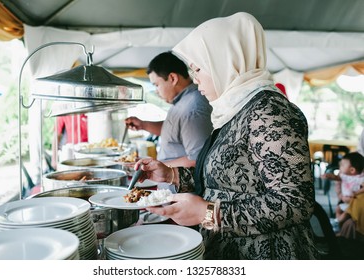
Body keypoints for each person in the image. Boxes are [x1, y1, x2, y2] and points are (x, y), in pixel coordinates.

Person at [135, 12, 319, 259]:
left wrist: (209, 213)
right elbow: (228, 178)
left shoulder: (269, 111)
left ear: (225, 62)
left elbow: (295, 203)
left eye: (198, 69)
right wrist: (171, 174)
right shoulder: (235, 109)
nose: (195, 79)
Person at [125, 51, 213, 167]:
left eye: (157, 85)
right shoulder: (183, 101)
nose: (156, 91)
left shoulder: (192, 108)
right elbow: (175, 131)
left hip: (181, 183)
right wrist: (142, 124)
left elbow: (198, 159)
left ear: (172, 78)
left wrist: (155, 166)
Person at [322, 152, 364, 221]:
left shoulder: (360, 178)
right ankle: (337, 222)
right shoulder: (344, 176)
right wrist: (329, 176)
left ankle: (337, 222)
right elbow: (336, 177)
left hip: (355, 202)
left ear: (352, 170)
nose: (340, 167)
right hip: (344, 200)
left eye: (342, 165)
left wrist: (356, 193)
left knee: (346, 213)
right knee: (338, 209)